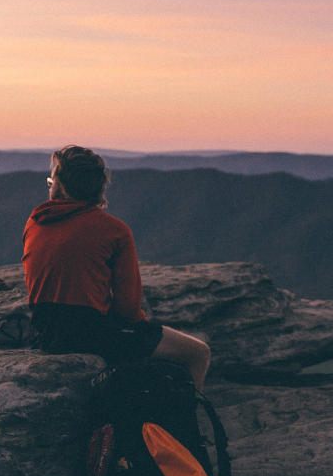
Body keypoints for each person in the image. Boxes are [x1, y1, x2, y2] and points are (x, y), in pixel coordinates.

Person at [22, 145, 211, 391]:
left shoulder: (35, 222)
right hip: (89, 336)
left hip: (45, 334)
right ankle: (187, 415)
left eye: (51, 182)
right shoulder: (115, 231)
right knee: (198, 353)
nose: (50, 188)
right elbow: (128, 307)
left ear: (62, 187)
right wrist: (140, 331)